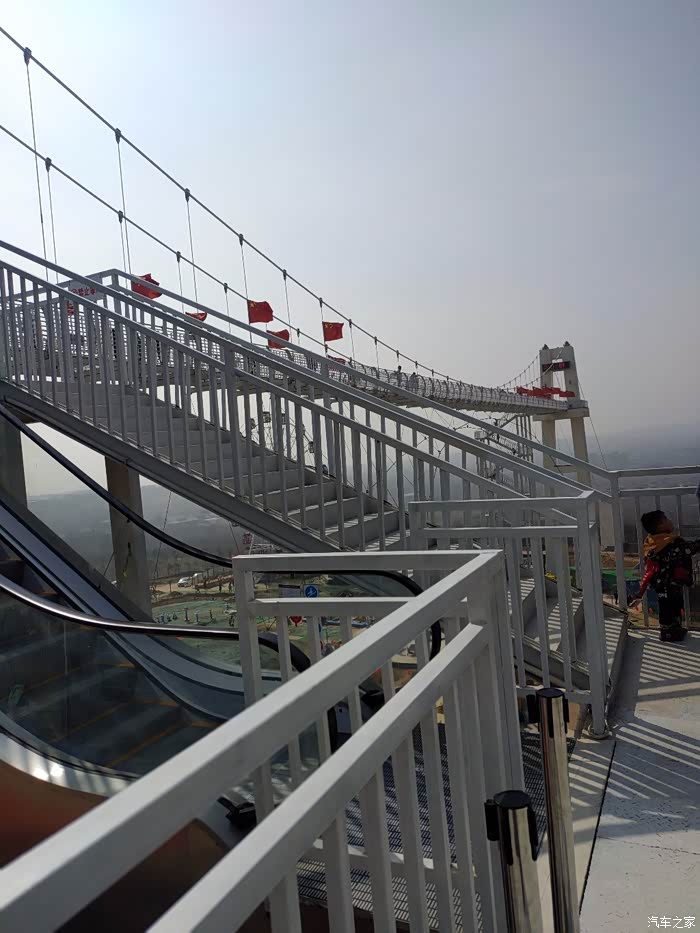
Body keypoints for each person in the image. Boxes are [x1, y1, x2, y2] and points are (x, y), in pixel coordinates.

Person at [629, 510, 699, 642]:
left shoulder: (653, 543)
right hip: (669, 584)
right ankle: (668, 632)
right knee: (671, 608)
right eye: (666, 519)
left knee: (670, 607)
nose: (670, 521)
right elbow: (690, 549)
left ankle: (672, 630)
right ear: (661, 525)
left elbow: (649, 570)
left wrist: (640, 593)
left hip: (661, 584)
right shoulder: (670, 545)